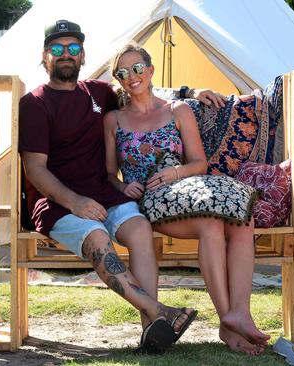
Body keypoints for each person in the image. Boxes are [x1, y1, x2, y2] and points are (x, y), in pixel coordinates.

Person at [18, 20, 216, 353]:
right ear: (44, 56)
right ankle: (158, 312)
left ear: (83, 56)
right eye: (56, 48)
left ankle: (151, 332)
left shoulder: (99, 93)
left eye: (73, 48)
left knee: (139, 229)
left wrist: (189, 93)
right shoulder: (35, 103)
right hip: (56, 202)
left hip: (106, 194)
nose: (65, 54)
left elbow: (143, 92)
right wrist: (75, 202)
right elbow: (35, 169)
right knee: (96, 237)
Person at [104, 43, 271, 356]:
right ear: (118, 79)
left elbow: (199, 164)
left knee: (241, 219)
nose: (132, 76)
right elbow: (109, 174)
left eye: (138, 68)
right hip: (150, 200)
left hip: (185, 187)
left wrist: (175, 173)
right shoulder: (113, 119)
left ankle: (237, 315)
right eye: (123, 73)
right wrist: (123, 187)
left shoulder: (177, 110)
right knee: (212, 223)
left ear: (151, 70)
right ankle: (229, 322)